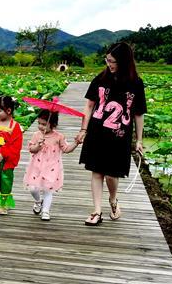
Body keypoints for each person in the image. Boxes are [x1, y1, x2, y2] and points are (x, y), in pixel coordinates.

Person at [75, 42, 146, 226]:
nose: (109, 64)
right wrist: (83, 129)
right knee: (96, 172)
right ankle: (97, 211)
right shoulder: (100, 79)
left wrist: (139, 140)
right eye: (107, 60)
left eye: (112, 61)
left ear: (123, 61)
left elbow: (138, 113)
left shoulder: (136, 83)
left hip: (120, 136)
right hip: (97, 133)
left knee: (111, 176)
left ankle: (113, 200)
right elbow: (89, 105)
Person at [24, 109, 80, 221]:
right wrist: (38, 146)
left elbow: (66, 149)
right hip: (37, 166)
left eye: (44, 124)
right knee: (33, 189)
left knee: (47, 189)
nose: (40, 126)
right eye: (39, 123)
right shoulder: (36, 135)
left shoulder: (59, 136)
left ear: (53, 124)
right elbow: (31, 149)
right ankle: (38, 201)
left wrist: (76, 143)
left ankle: (45, 210)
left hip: (51, 167)